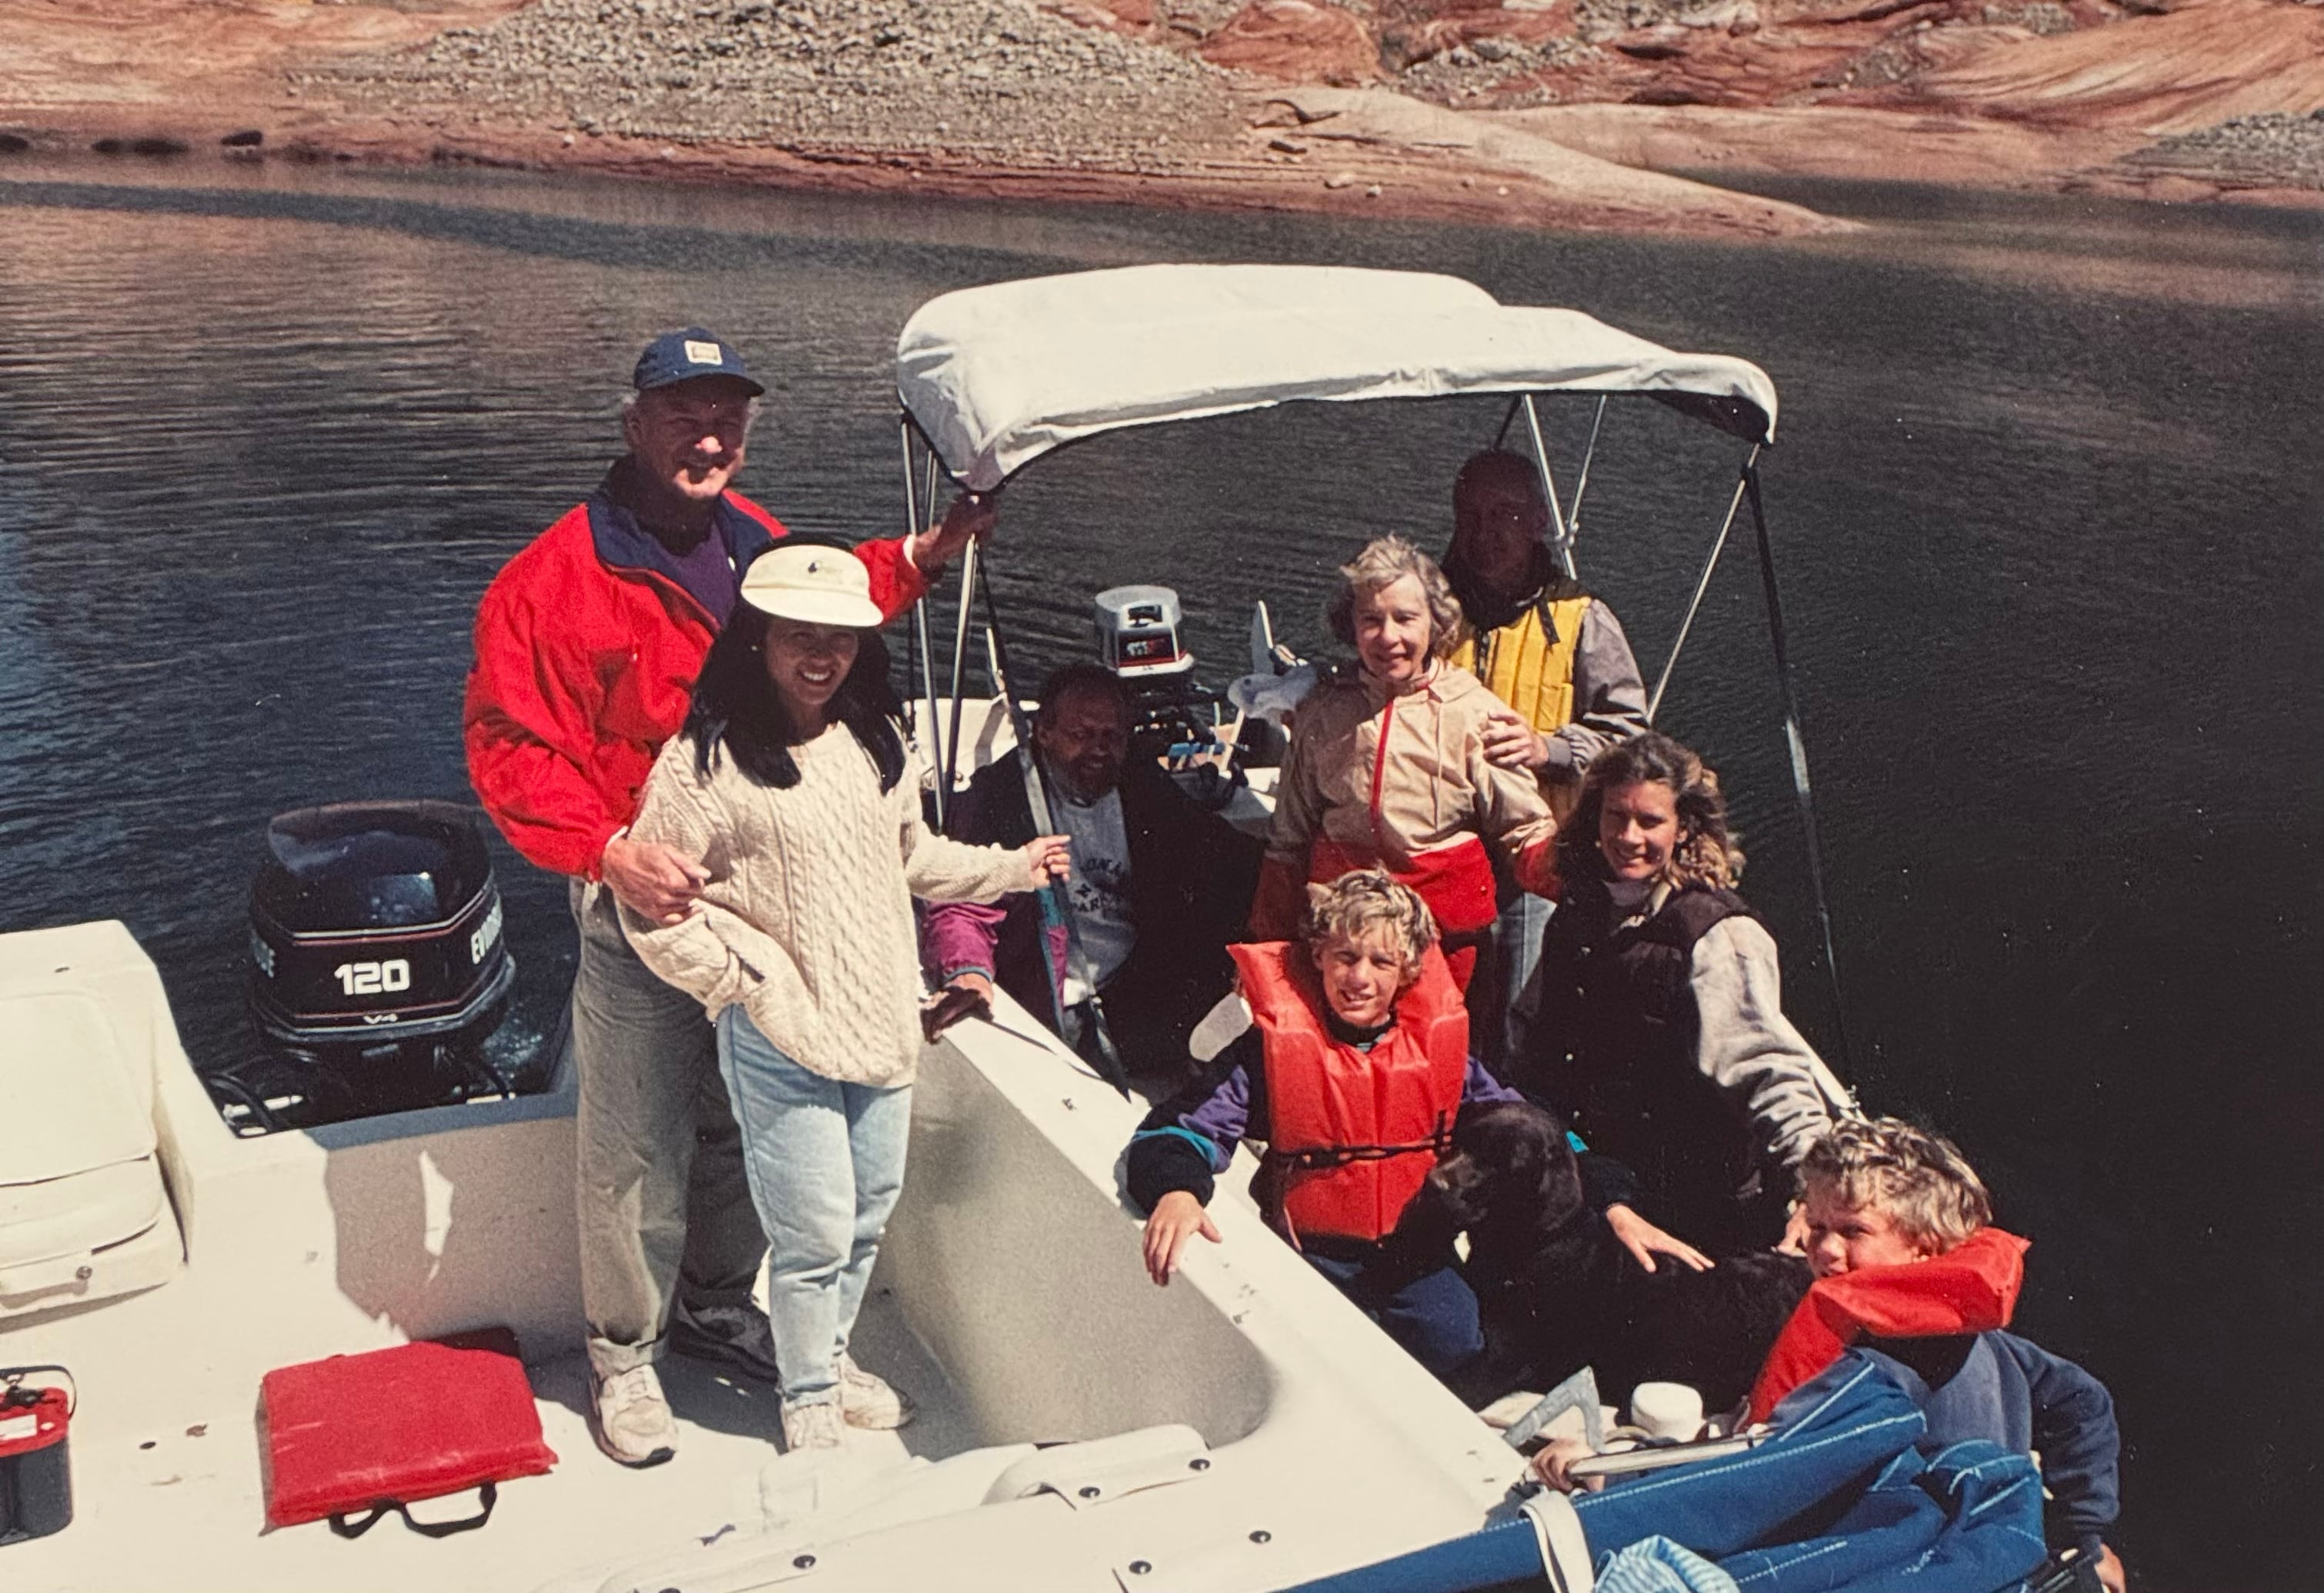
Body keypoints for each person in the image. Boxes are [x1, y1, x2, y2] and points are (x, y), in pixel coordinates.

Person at [463, 327, 991, 1465]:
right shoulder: (551, 580)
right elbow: (510, 747)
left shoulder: (756, 542)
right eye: (681, 414)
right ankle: (624, 1354)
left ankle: (715, 1303)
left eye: (727, 418)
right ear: (632, 425)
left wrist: (925, 553)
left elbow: (827, 615)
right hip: (643, 905)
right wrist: (607, 851)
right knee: (636, 1139)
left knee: (744, 1129)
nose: (707, 437)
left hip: (772, 918)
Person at [618, 542, 1069, 1455]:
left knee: (868, 1210)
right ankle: (809, 1397)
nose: (821, 656)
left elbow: (912, 858)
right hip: (780, 1030)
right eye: (799, 637)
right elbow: (652, 911)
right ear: (758, 641)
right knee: (814, 1228)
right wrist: (738, 984)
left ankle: (823, 1355)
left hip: (879, 1018)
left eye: (841, 638)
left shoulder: (875, 742)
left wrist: (1010, 869)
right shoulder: (702, 763)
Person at [1539, 1117, 2126, 1593]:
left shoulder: (1876, 1372)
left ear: (1925, 1246)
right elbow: (2085, 1404)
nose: (1824, 1249)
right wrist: (2084, 1532)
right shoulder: (1998, 1350)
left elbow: (1760, 1473)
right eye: (1815, 1224)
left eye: (1853, 1230)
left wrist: (1601, 1473)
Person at [1128, 871, 1521, 1380]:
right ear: (1318, 956)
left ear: (1406, 971)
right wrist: (1177, 1189)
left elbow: (1526, 1130)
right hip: (1311, 1254)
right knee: (1308, 1364)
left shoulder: (1443, 1057)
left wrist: (1605, 1191)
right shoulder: (1269, 1053)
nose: (1359, 977)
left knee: (1454, 1343)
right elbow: (1180, 1128)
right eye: (1346, 956)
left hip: (1416, 1252)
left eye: (1381, 962)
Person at [1508, 731, 1851, 1257]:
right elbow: (1537, 1044)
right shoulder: (1580, 909)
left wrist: (1816, 1187)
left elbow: (1767, 1068)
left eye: (1650, 821)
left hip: (1698, 1200)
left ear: (1684, 826)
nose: (1628, 836)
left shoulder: (1715, 934)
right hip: (1601, 1172)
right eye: (1614, 816)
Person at [921, 664, 1261, 1083]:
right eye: (1081, 736)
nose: (1098, 750)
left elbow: (1214, 851)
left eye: (1111, 737)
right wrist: (968, 972)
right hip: (1051, 991)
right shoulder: (1000, 796)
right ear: (1043, 733)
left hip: (1132, 978)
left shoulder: (1138, 782)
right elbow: (962, 905)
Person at [1246, 535, 1559, 993]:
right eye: (1371, 620)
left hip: (1441, 947)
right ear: (1349, 626)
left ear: (1436, 623)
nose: (1389, 637)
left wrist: (1589, 879)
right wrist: (1266, 959)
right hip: (1345, 949)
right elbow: (1287, 841)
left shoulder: (1474, 714)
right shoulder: (1323, 711)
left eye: (1405, 619)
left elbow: (1527, 831)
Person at [1439, 449, 1649, 1072]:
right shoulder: (1427, 610)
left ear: (1537, 522)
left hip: (1533, 861)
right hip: (1438, 850)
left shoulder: (1582, 619)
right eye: (1470, 515)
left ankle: (1506, 1138)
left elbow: (1629, 734)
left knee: (1513, 1023)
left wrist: (1548, 749)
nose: (1485, 533)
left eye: (1503, 514)